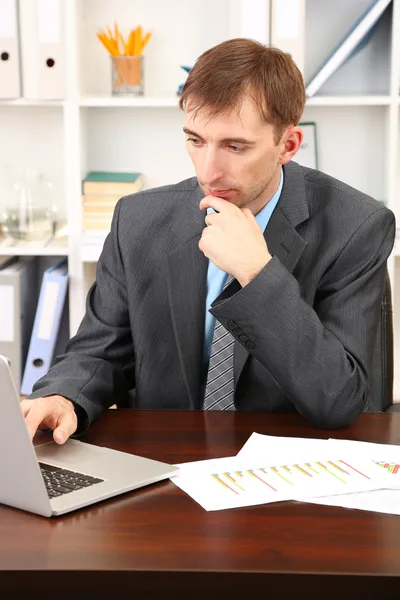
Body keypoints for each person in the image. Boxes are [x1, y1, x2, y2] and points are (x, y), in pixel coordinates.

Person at [22, 38, 395, 444]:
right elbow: (100, 351)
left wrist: (258, 273)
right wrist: (63, 395)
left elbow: (344, 402)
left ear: (287, 145)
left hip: (287, 473)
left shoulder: (356, 227)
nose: (209, 171)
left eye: (235, 147)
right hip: (162, 461)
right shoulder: (138, 220)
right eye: (196, 140)